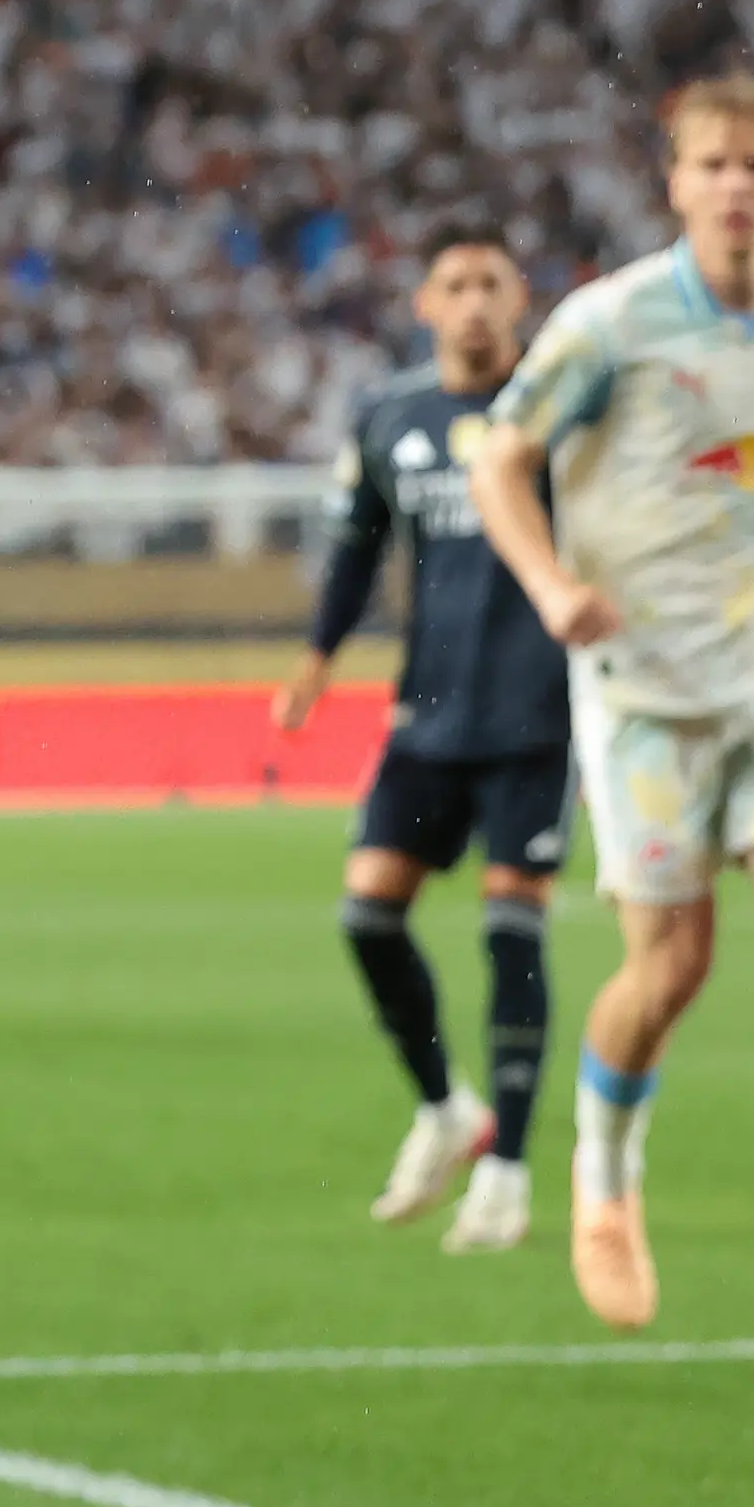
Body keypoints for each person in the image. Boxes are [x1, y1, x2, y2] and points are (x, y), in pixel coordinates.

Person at [468, 76, 754, 1329]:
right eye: (713, 165)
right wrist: (551, 583)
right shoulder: (611, 325)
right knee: (671, 969)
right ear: (675, 183)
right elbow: (501, 452)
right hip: (648, 692)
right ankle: (604, 1184)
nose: (737, 187)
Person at [278, 228, 574, 1253]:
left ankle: (509, 1169)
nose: (477, 302)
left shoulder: (558, 413)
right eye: (457, 285)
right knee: (367, 917)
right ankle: (447, 1105)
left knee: (511, 935)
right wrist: (319, 655)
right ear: (424, 304)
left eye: (493, 282)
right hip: (429, 714)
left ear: (521, 297)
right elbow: (359, 541)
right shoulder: (389, 416)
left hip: (540, 716)